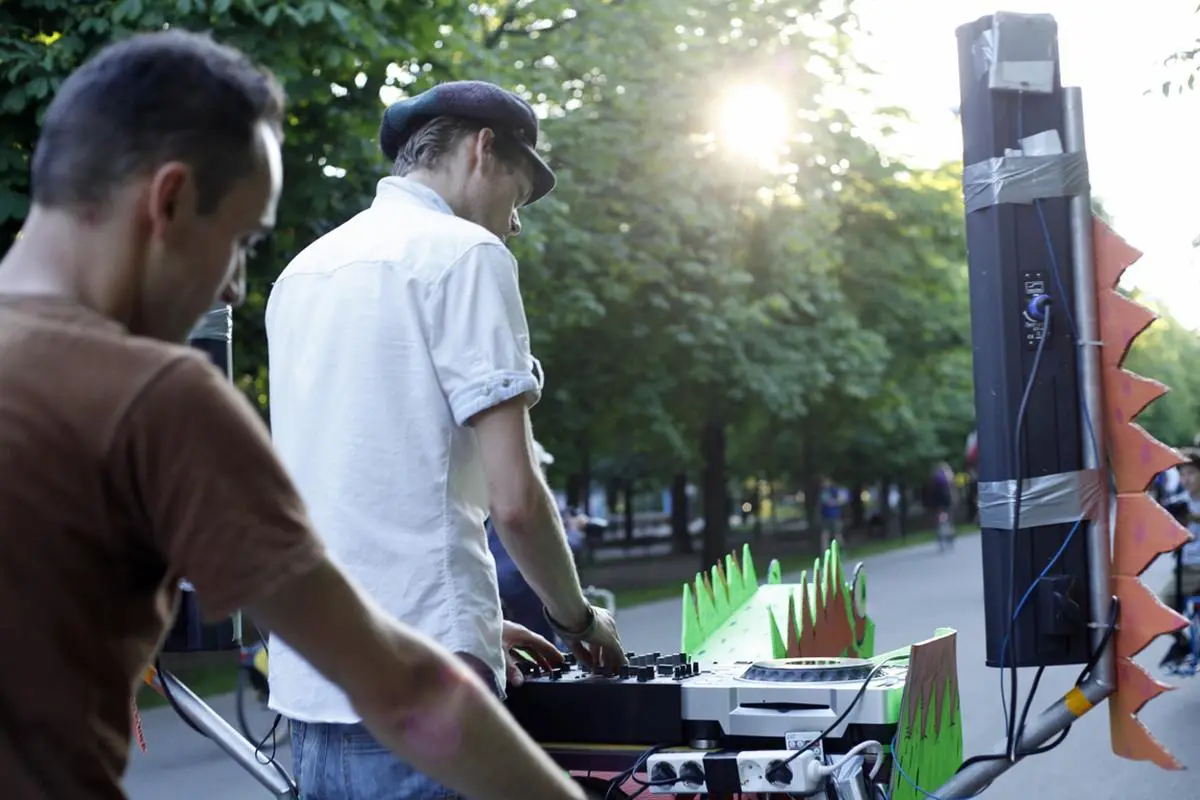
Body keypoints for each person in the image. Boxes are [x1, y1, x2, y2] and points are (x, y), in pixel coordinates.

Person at [0, 32, 591, 800]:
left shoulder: (300, 282)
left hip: (310, 703)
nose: (237, 289)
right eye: (241, 241)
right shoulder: (157, 398)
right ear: (170, 200)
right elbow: (404, 692)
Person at [264, 79, 628, 798]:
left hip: (309, 692)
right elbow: (514, 500)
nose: (515, 227)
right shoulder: (465, 255)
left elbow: (351, 486)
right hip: (424, 700)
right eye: (517, 200)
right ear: (483, 149)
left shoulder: (300, 274)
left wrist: (482, 625)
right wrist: (577, 617)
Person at [488, 440, 587, 641]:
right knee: (545, 644)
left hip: (496, 582)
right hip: (522, 581)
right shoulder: (530, 502)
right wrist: (575, 531)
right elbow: (557, 549)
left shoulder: (493, 505)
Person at [1157, 448, 1200, 669]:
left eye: (1192, 473)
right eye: (1182, 474)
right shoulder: (1178, 502)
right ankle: (1181, 642)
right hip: (1185, 569)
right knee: (1160, 607)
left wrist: (1193, 518)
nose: (1186, 479)